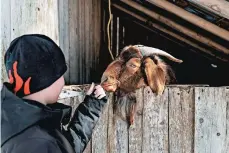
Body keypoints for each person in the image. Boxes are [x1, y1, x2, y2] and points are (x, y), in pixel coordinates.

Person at [1, 34, 107, 153]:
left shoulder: (20, 121)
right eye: (60, 74)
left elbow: (65, 148)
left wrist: (92, 106)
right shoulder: (37, 143)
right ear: (45, 81)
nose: (63, 82)